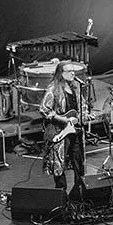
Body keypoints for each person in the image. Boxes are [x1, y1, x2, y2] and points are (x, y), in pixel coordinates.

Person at [39, 61, 87, 201]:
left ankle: (79, 192)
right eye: (69, 71)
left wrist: (86, 115)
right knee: (58, 163)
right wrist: (63, 119)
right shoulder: (53, 89)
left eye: (74, 71)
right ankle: (61, 194)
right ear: (61, 73)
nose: (73, 73)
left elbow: (82, 106)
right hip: (59, 130)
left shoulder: (76, 87)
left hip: (75, 130)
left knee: (78, 160)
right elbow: (44, 109)